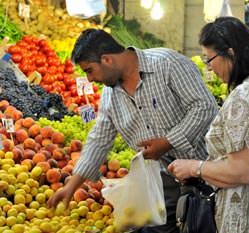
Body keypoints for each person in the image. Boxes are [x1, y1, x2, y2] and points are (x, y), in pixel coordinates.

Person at [47, 29, 218, 233]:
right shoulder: (110, 97)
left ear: (107, 59)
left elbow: (204, 106)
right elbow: (98, 140)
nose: (90, 79)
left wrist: (168, 142)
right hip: (163, 183)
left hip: (209, 173)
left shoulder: (167, 64)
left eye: (90, 70)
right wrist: (71, 186)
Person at [168, 17, 249, 233]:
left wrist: (194, 167)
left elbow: (242, 171)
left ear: (230, 53)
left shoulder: (245, 95)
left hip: (247, 215)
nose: (209, 68)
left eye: (209, 59)